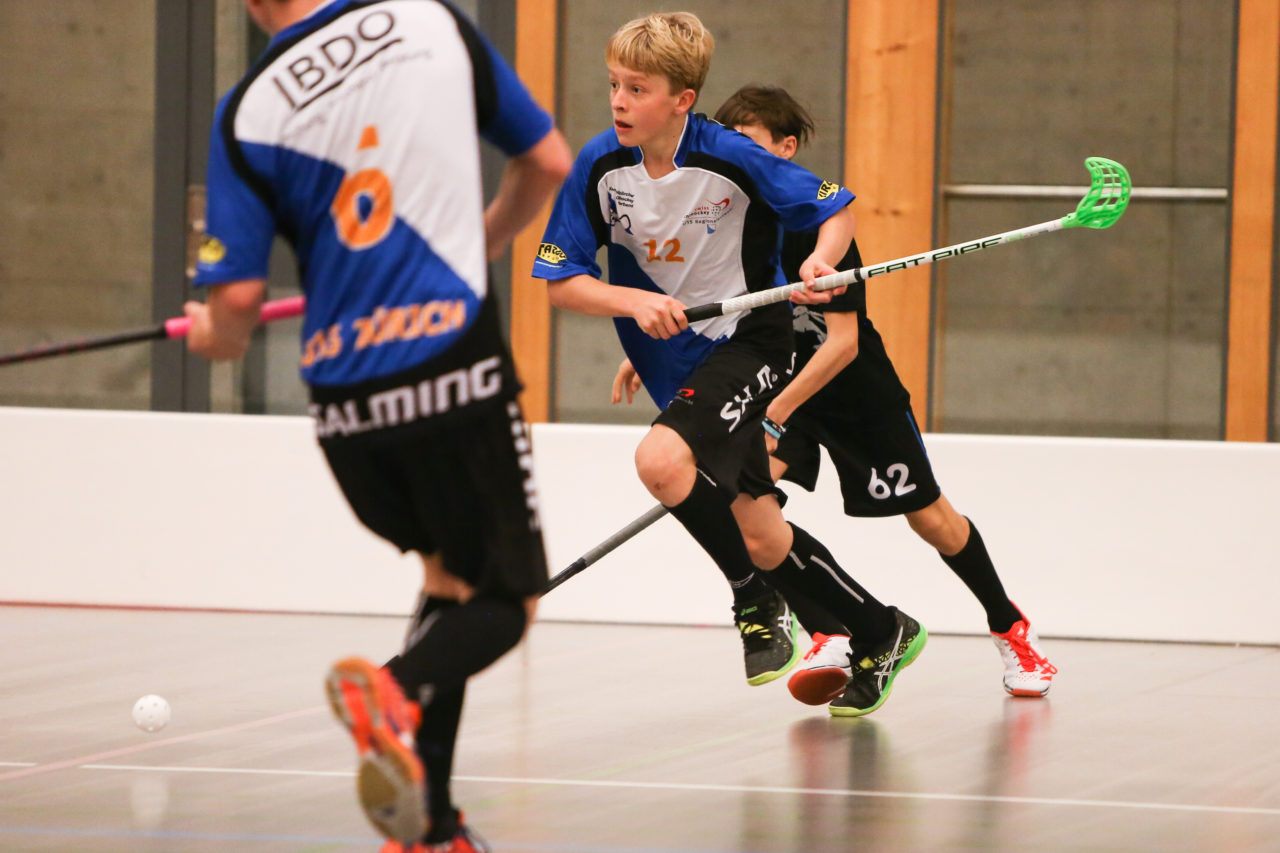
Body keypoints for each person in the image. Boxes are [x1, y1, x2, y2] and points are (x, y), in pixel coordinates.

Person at [184, 1, 571, 851]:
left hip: (345, 411)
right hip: (452, 370)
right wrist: (487, 237)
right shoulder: (430, 22)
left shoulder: (245, 110)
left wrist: (212, 334)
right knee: (508, 603)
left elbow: (236, 305)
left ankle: (430, 825)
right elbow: (547, 161)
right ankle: (389, 691)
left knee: (449, 580)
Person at [532, 12, 926, 719]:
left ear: (682, 99)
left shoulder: (730, 156)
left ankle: (753, 596)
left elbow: (836, 209)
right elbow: (562, 281)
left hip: (747, 340)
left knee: (660, 460)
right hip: (666, 352)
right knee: (762, 532)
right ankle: (878, 628)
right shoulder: (599, 165)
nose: (619, 101)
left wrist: (820, 259)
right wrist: (630, 301)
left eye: (638, 88)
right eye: (615, 85)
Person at [617, 83, 1057, 706]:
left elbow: (842, 345)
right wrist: (648, 353)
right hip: (773, 386)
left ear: (786, 149)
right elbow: (706, 303)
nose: (737, 158)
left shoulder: (820, 229)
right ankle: (836, 627)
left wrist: (777, 412)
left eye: (750, 144)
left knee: (931, 519)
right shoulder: (728, 218)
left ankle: (1009, 626)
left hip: (848, 394)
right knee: (751, 518)